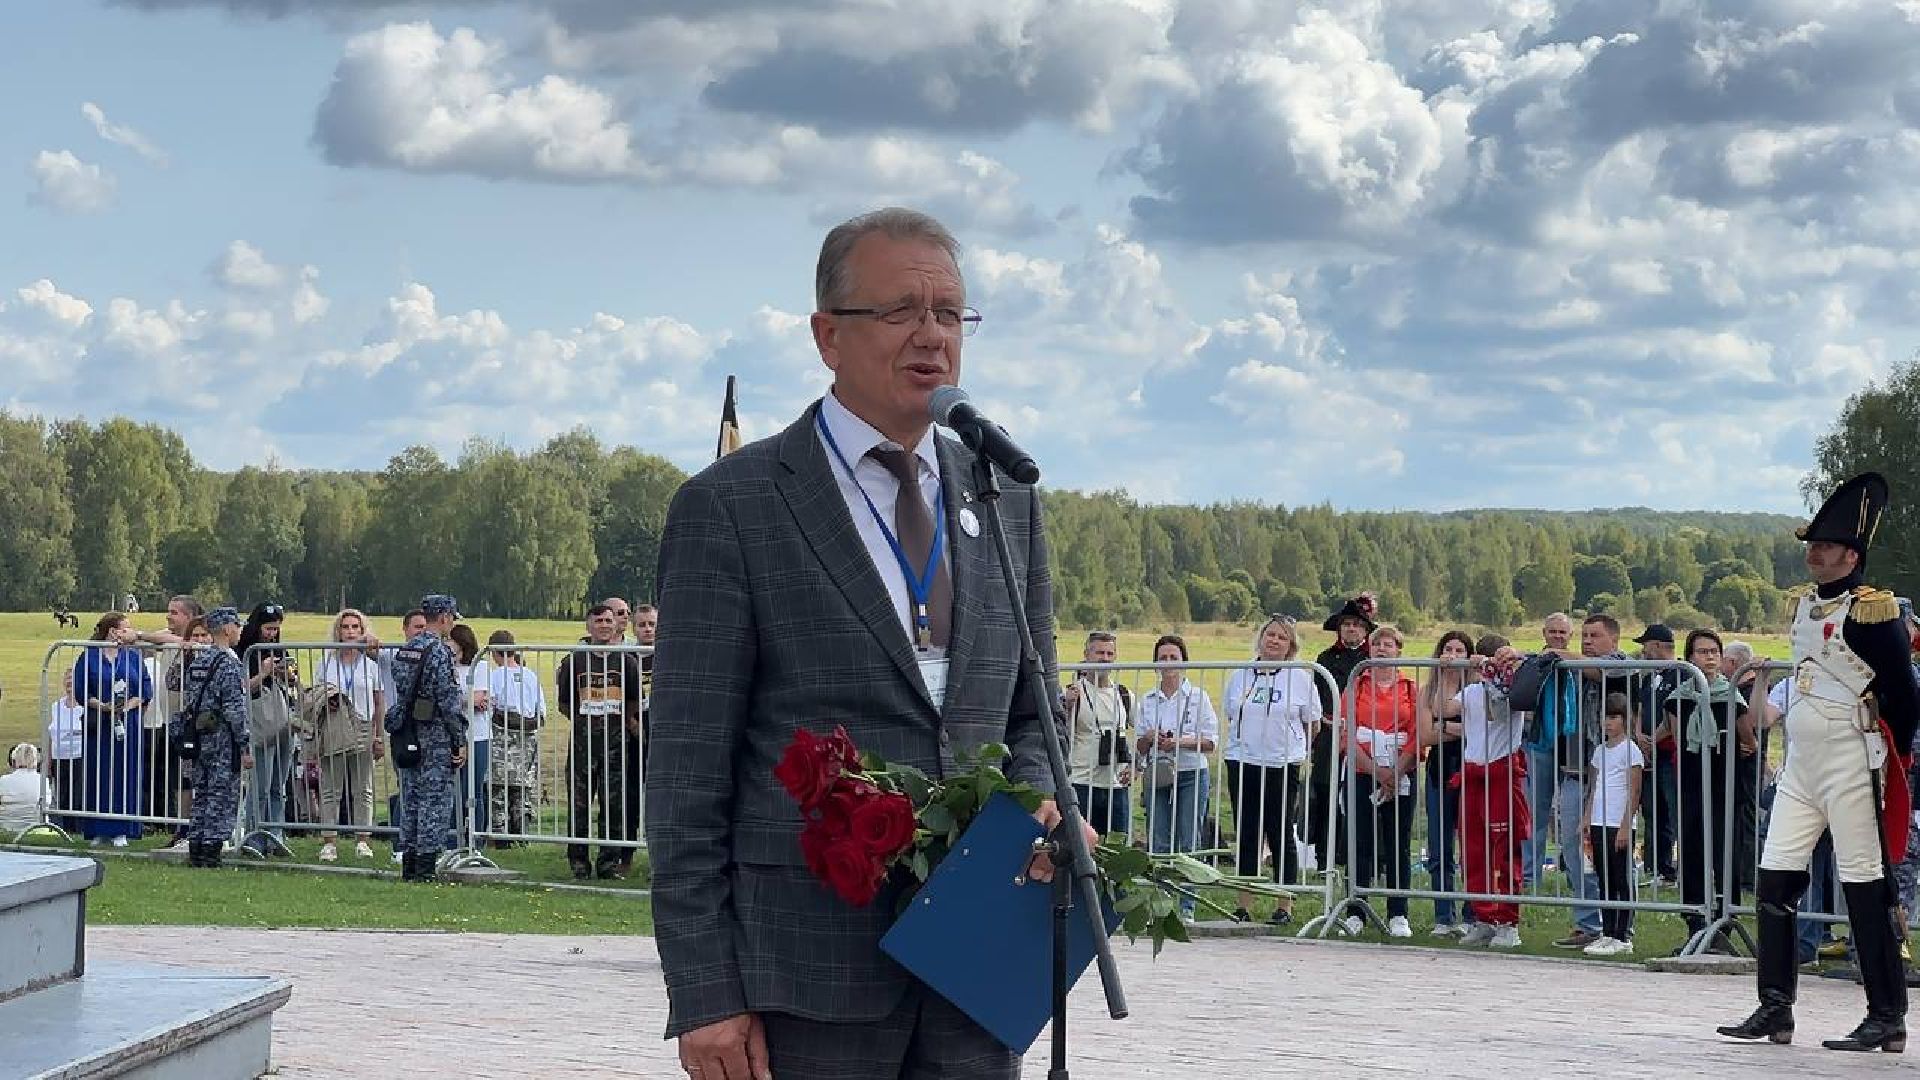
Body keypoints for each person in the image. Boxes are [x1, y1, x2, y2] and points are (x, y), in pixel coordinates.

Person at [647, 207, 1073, 1080]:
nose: (931, 337)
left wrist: (1037, 803)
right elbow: (687, 769)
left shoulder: (1005, 500)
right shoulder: (734, 506)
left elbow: (1034, 714)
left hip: (977, 963)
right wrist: (705, 991)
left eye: (950, 314)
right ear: (827, 335)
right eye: (901, 312)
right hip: (805, 975)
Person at [1721, 473, 1919, 1052]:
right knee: (1774, 879)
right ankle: (1775, 1006)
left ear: (1851, 555)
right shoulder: (1805, 607)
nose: (1814, 553)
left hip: (1852, 758)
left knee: (1865, 886)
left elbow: (1905, 695)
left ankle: (1887, 1014)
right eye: (1812, 544)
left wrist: (1891, 755)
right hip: (1802, 762)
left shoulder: (1874, 612)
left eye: (1826, 546)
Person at [1222, 616, 1319, 925]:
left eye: (1282, 637)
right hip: (1243, 760)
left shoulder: (1300, 678)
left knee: (1280, 832)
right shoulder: (1241, 675)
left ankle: (1284, 903)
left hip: (1281, 763)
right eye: (1270, 635)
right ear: (1261, 638)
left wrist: (1295, 748)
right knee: (1247, 833)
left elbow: (1312, 723)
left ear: (1290, 646)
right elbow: (1230, 714)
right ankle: (1244, 903)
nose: (1274, 640)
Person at [1340, 624, 1421, 938]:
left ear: (1398, 650)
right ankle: (1356, 910)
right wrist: (1376, 771)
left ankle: (1398, 912)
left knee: (1398, 843)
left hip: (1401, 771)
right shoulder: (1355, 686)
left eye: (1389, 645)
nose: (1383, 650)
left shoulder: (1412, 689)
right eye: (1377, 645)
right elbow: (1347, 734)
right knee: (1360, 841)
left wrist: (1397, 771)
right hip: (1363, 771)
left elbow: (1417, 733)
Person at [384, 594, 468, 883]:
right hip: (434, 736)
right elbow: (448, 701)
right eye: (452, 617)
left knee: (411, 800)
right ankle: (425, 868)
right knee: (435, 802)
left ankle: (408, 865)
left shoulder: (407, 650)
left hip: (408, 733)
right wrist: (459, 738)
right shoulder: (440, 652)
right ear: (444, 617)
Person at [1451, 641, 1528, 949]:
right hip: (1472, 775)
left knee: (1506, 850)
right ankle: (1483, 917)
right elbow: (1440, 709)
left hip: (1501, 773)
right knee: (1473, 850)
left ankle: (1509, 921)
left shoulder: (1514, 690)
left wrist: (1508, 669)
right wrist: (1445, 670)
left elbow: (1504, 709)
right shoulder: (1469, 692)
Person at [558, 603, 644, 880]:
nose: (605, 625)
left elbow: (633, 700)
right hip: (583, 744)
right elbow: (565, 703)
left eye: (609, 620)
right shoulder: (576, 661)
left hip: (617, 745)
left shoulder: (628, 661)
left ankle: (609, 860)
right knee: (579, 803)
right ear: (588, 625)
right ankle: (579, 860)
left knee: (614, 804)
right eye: (599, 621)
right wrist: (586, 721)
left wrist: (619, 721)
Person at [1139, 633, 1218, 919]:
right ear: (1155, 664)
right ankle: (1159, 905)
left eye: (1174, 657)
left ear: (1184, 662)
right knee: (1158, 838)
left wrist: (1180, 742)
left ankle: (1187, 906)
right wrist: (1149, 737)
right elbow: (1138, 744)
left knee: (1188, 840)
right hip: (1159, 772)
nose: (1168, 663)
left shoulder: (1199, 697)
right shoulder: (1148, 699)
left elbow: (1211, 742)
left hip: (1191, 772)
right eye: (1163, 658)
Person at [172, 608, 252, 868]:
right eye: (237, 626)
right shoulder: (228, 664)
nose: (239, 631)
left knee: (202, 793)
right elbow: (233, 709)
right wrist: (244, 744)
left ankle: (196, 845)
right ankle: (211, 850)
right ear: (228, 629)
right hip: (223, 740)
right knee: (222, 794)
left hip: (200, 735)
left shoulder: (199, 661)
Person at [309, 609, 386, 863]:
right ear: (338, 631)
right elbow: (316, 695)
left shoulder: (371, 666)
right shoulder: (326, 663)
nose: (351, 632)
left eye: (356, 627)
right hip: (334, 726)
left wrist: (378, 735)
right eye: (346, 627)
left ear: (363, 631)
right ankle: (329, 840)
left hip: (362, 725)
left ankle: (363, 839)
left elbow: (378, 702)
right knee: (331, 787)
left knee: (363, 787)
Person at [72, 612, 153, 846]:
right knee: (99, 773)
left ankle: (123, 829)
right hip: (101, 725)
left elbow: (145, 688)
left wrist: (128, 706)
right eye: (125, 628)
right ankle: (98, 828)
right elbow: (81, 690)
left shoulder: (133, 657)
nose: (129, 632)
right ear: (111, 631)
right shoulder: (89, 657)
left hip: (128, 723)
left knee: (126, 773)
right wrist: (105, 707)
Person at [1310, 592, 1376, 871]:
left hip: (1364, 737)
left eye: (1357, 625)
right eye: (1347, 624)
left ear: (1365, 630)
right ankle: (1325, 858)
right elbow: (1316, 695)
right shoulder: (1324, 658)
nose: (1351, 629)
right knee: (1326, 794)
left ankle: (1366, 860)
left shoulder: (1374, 659)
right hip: (1329, 735)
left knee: (1363, 796)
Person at [1418, 630, 1475, 937]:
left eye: (1460, 650)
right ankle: (1443, 916)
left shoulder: (1477, 689)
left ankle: (1471, 913)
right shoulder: (1427, 691)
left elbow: (1478, 729)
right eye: (1448, 649)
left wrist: (1442, 724)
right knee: (1440, 848)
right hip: (1439, 771)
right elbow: (1425, 736)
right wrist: (1457, 727)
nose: (1453, 655)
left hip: (1470, 771)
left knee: (1470, 847)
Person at [1583, 692, 1644, 956]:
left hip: (1617, 822)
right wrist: (1586, 817)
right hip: (1598, 820)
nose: (1608, 723)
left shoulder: (1631, 750)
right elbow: (1594, 786)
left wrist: (1624, 825)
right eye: (1604, 717)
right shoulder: (1599, 751)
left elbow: (1634, 791)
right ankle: (1607, 931)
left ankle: (1623, 935)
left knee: (1620, 878)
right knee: (1604, 878)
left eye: (1614, 717)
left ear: (1625, 720)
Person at [1063, 630, 1135, 839]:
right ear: (1086, 655)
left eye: (1109, 654)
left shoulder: (1124, 695)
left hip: (1116, 786)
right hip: (1081, 783)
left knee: (1116, 851)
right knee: (1081, 847)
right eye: (1099, 653)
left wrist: (1136, 766)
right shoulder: (1073, 693)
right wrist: (1066, 706)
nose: (1105, 658)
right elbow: (1060, 734)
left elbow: (1141, 734)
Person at [239, 603, 298, 856]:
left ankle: (276, 834)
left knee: (278, 785)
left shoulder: (278, 649)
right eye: (268, 628)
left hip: (282, 720)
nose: (272, 634)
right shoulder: (243, 652)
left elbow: (288, 680)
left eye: (276, 629)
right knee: (260, 786)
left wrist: (288, 675)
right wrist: (264, 673)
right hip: (260, 722)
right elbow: (242, 689)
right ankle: (254, 834)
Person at [484, 629, 544, 844]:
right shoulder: (531, 676)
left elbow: (489, 707)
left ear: (494, 653)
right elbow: (541, 712)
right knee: (522, 790)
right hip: (528, 740)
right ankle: (522, 833)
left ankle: (500, 835)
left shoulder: (494, 676)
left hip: (502, 740)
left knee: (498, 790)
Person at [1632, 623, 1680, 884]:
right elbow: (1641, 707)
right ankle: (1655, 866)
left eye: (1646, 645)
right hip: (1649, 754)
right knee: (1652, 811)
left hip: (1669, 753)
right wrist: (1640, 734)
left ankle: (1675, 868)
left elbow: (1674, 712)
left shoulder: (1680, 674)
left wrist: (1655, 738)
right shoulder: (1649, 676)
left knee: (1673, 810)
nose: (1643, 651)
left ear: (1658, 646)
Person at [450, 622, 490, 852]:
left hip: (478, 735)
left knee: (473, 790)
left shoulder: (480, 666)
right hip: (452, 735)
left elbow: (480, 700)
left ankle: (477, 839)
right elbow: (470, 700)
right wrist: (466, 700)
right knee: (454, 790)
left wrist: (458, 700)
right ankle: (453, 839)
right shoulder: (446, 666)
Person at [46, 668, 85, 834]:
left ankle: (78, 830)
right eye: (67, 678)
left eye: (73, 679)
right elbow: (50, 735)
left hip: (79, 757)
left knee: (77, 797)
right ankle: (66, 831)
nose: (69, 682)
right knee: (62, 796)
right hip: (59, 758)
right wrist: (47, 761)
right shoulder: (56, 706)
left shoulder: (84, 707)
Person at [1, 743, 54, 837]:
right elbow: (47, 804)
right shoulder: (43, 781)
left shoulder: (3, 780)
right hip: (36, 828)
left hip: (7, 828)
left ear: (13, 761)